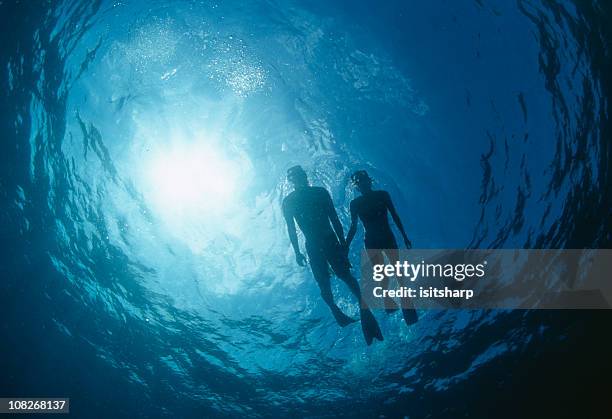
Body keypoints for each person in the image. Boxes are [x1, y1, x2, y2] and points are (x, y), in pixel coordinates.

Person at [282, 165, 383, 345]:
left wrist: (343, 242)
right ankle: (336, 310)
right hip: (314, 246)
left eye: (301, 175)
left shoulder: (319, 193)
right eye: (296, 176)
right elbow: (291, 228)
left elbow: (334, 218)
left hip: (329, 242)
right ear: (293, 181)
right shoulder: (290, 201)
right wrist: (297, 252)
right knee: (324, 284)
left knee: (345, 276)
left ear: (305, 176)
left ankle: (363, 309)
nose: (300, 178)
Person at [346, 170, 418, 326]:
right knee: (383, 276)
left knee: (398, 273)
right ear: (357, 186)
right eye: (360, 183)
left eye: (365, 181)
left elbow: (395, 215)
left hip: (387, 238)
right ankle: (388, 301)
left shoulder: (383, 195)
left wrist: (405, 236)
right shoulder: (355, 204)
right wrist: (345, 245)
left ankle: (406, 304)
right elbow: (353, 227)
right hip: (372, 242)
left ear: (369, 181)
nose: (364, 184)